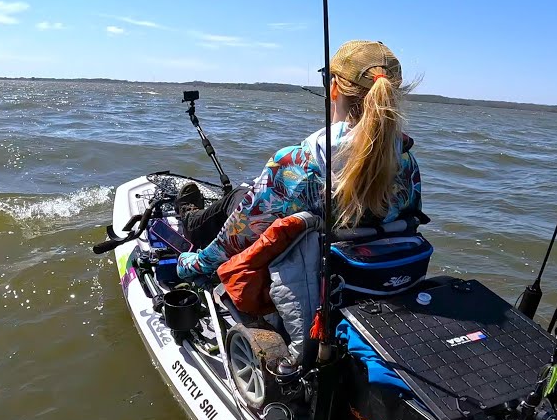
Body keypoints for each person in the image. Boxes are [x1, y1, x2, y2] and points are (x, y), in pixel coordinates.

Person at [175, 39, 422, 281]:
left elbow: (232, 244)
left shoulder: (297, 165)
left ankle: (190, 220)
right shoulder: (407, 163)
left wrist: (187, 265)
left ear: (334, 87)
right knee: (241, 194)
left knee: (240, 197)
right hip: (368, 278)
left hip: (306, 285)